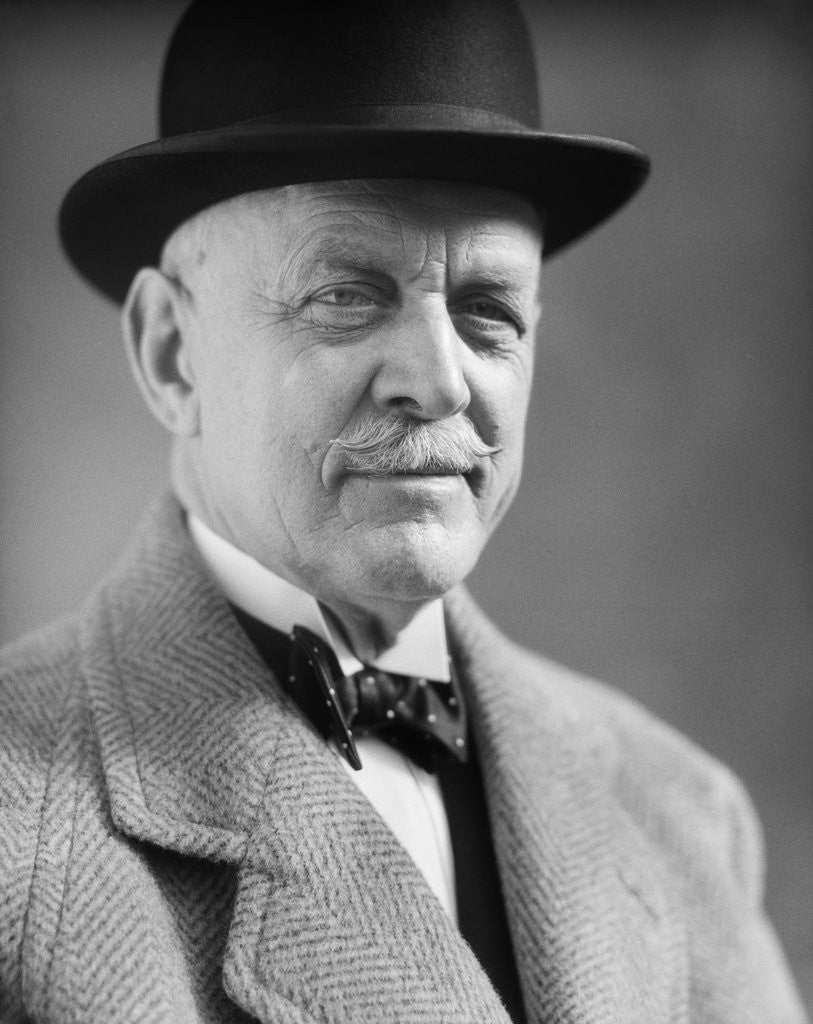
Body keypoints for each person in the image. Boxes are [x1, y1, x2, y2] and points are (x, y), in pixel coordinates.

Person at [0, 1, 807, 1021]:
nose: (440, 380)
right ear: (172, 353)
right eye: (346, 295)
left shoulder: (683, 811)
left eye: (489, 313)